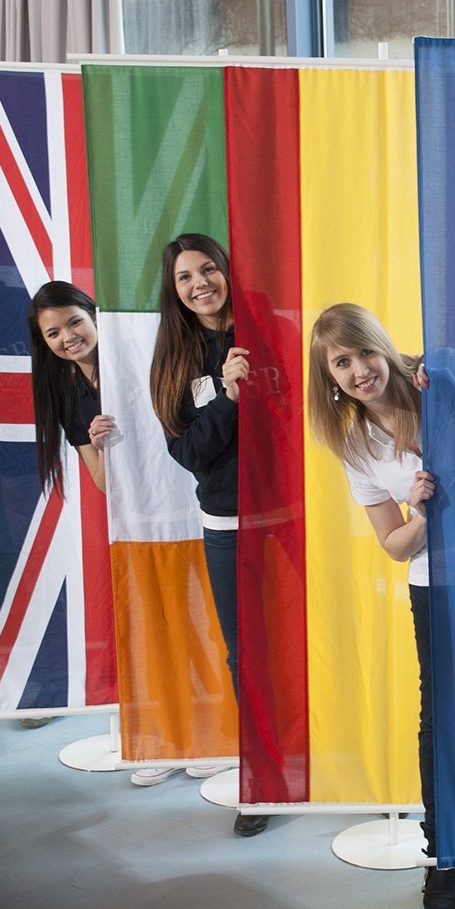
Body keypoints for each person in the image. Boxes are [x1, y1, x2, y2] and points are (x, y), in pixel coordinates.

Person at [306, 303, 455, 909]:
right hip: (437, 583)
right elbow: (394, 546)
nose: (359, 369)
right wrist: (420, 513)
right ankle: (444, 853)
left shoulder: (437, 381)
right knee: (440, 720)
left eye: (364, 351)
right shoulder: (356, 445)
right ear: (331, 378)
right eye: (341, 363)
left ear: (382, 346)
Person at [148, 233, 262, 835]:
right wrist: (228, 397)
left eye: (208, 269)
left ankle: (342, 768)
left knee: (314, 637)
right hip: (228, 524)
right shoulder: (174, 358)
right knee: (245, 651)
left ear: (226, 269)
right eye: (185, 277)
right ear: (174, 292)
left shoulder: (270, 323)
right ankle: (264, 778)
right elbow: (190, 452)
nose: (200, 283)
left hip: (296, 515)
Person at [27, 281, 116, 496]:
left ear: (93, 315)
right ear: (45, 342)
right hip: (142, 515)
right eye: (53, 333)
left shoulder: (141, 364)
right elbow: (103, 484)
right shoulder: (70, 402)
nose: (68, 337)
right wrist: (105, 449)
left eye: (75, 322)